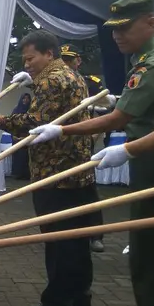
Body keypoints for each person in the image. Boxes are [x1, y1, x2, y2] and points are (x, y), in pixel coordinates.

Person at [29, 0, 154, 306]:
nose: (117, 36)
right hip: (151, 153)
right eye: (114, 29)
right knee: (150, 245)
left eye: (125, 27)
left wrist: (62, 129)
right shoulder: (149, 57)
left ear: (150, 21)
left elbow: (119, 121)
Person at [0, 29, 98, 306]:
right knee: (77, 239)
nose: (26, 64)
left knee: (59, 241)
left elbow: (35, 122)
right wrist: (31, 82)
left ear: (49, 54)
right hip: (77, 170)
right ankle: (79, 298)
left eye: (31, 59)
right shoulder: (69, 74)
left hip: (55, 172)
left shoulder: (54, 79)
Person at [59, 43, 110, 253]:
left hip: (84, 141)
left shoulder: (90, 83)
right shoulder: (56, 82)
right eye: (63, 60)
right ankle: (68, 231)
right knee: (63, 189)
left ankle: (95, 235)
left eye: (70, 60)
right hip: (62, 143)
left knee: (87, 189)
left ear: (78, 61)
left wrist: (94, 136)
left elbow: (106, 109)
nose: (67, 64)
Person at [10, 94, 32, 180]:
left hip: (28, 137)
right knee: (18, 156)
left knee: (26, 156)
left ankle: (27, 174)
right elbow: (11, 123)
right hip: (16, 136)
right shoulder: (16, 110)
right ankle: (17, 173)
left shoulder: (30, 111)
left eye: (27, 99)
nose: (25, 100)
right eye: (24, 98)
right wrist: (14, 136)